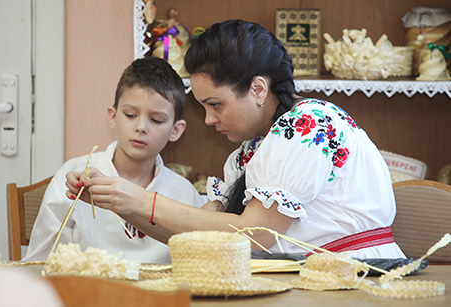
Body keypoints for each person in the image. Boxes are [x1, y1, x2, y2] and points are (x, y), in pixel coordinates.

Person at [66, 20, 405, 259]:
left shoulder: (309, 124)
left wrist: (140, 200)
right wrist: (118, 199)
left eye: (215, 105)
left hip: (361, 280)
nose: (210, 120)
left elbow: (258, 233)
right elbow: (202, 236)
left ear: (258, 89)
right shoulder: (249, 153)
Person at [24, 57, 205, 263]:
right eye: (130, 115)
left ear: (175, 130)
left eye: (156, 120)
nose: (141, 127)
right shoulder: (76, 176)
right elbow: (41, 261)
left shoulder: (184, 194)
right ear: (113, 117)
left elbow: (200, 263)